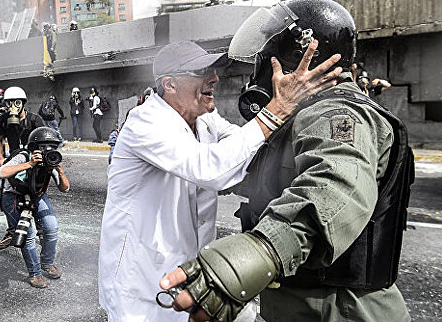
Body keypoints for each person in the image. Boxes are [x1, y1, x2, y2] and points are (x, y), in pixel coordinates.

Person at [160, 0, 414, 322]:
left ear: (300, 57)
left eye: (267, 58)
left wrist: (254, 256)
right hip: (308, 304)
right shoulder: (307, 112)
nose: (260, 69)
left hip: (337, 309)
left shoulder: (334, 114)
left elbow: (333, 188)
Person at [98, 38, 341, 321]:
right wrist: (279, 108)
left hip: (187, 268)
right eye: (202, 73)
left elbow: (241, 145)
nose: (214, 78)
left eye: (213, 71)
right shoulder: (145, 121)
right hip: (141, 280)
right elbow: (211, 169)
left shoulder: (204, 119)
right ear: (170, 84)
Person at [0, 127, 69, 288]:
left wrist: (59, 169)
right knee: (27, 235)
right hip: (14, 195)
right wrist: (30, 164)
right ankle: (34, 273)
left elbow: (65, 188)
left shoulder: (50, 162)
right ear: (34, 146)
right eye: (43, 146)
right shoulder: (24, 156)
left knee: (51, 227)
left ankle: (47, 263)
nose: (47, 150)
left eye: (52, 147)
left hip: (37, 195)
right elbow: (1, 172)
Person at [0, 86, 45, 250]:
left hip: (33, 164)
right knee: (7, 198)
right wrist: (1, 159)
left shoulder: (35, 120)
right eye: (8, 103)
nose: (12, 107)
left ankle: (42, 232)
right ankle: (12, 230)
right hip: (14, 163)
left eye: (15, 103)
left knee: (35, 195)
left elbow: (44, 141)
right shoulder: (3, 120)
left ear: (22, 103)